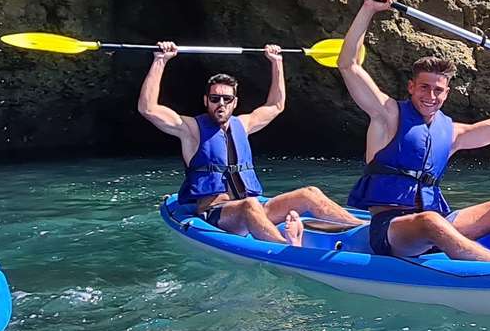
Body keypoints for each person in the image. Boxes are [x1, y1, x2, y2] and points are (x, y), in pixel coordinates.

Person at [336, 0, 490, 263]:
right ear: (411, 87)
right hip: (393, 232)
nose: (430, 96)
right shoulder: (387, 115)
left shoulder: (452, 133)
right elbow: (348, 65)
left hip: (440, 223)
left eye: (438, 90)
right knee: (430, 221)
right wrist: (369, 9)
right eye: (424, 88)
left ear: (447, 93)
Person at [138, 41, 359, 246]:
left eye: (227, 99)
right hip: (217, 213)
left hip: (252, 207)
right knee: (249, 205)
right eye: (215, 99)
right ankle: (288, 249)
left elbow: (276, 105)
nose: (221, 104)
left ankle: (362, 231)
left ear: (235, 102)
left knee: (310, 193)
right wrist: (161, 60)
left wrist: (277, 62)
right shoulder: (191, 129)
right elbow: (148, 108)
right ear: (206, 101)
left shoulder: (243, 124)